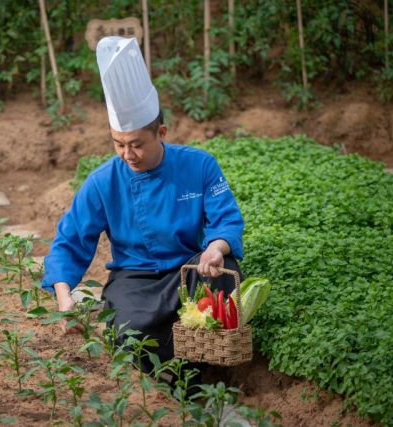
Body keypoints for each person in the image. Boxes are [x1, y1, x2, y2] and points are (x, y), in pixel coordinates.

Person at [41, 36, 244, 377]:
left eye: (136, 144)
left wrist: (215, 248)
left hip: (190, 268)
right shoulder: (103, 181)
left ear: (161, 132)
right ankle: (165, 386)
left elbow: (227, 219)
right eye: (118, 144)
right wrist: (64, 297)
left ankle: (214, 378)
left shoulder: (200, 165)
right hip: (135, 278)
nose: (127, 155)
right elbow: (70, 241)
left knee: (225, 276)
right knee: (129, 331)